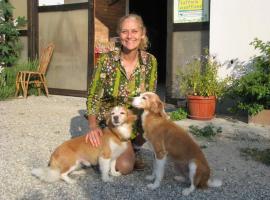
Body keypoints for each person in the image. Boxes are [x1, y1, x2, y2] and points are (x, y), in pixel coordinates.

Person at [85, 14, 157, 175]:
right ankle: (118, 148)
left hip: (133, 121)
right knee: (123, 167)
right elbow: (93, 95)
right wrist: (93, 126)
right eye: (125, 32)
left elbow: (149, 96)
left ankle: (133, 147)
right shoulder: (106, 61)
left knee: (155, 123)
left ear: (142, 33)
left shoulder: (151, 62)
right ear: (119, 34)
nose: (130, 36)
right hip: (112, 120)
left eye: (134, 31)